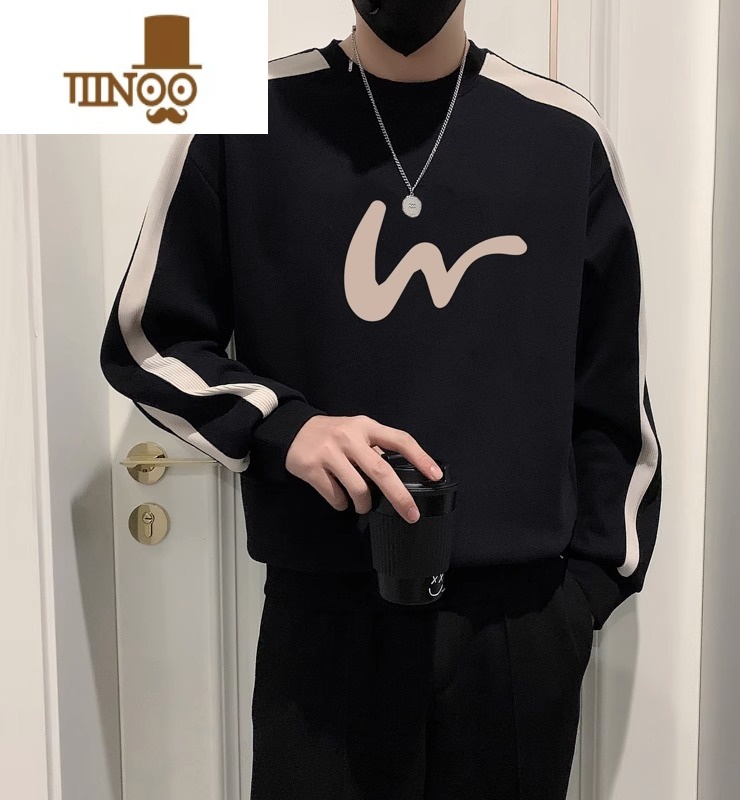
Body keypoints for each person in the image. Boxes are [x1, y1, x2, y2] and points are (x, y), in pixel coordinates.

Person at [99, 1, 663, 797]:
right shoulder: (243, 118)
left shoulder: (563, 134)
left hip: (518, 632)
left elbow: (614, 400)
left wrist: (584, 599)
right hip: (325, 625)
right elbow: (148, 339)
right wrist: (283, 426)